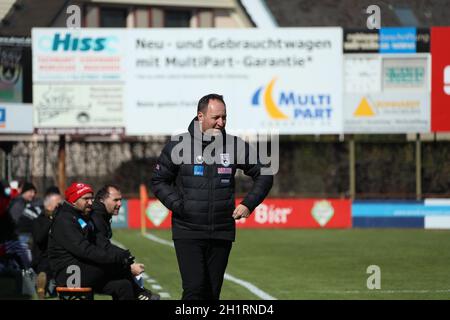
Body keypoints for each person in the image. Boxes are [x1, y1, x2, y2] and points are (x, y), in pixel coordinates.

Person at [150, 93, 273, 300]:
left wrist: (248, 204)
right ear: (200, 116)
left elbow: (265, 174)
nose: (221, 122)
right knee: (194, 290)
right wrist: (180, 206)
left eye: (224, 117)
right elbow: (159, 180)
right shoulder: (178, 145)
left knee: (211, 294)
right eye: (216, 117)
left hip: (221, 231)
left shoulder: (235, 145)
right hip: (188, 230)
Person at [48, 182, 153, 300]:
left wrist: (122, 256)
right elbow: (85, 250)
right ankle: (139, 291)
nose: (90, 202)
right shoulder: (65, 220)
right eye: (86, 199)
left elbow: (99, 242)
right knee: (113, 266)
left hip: (82, 269)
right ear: (73, 200)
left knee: (123, 286)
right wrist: (122, 263)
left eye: (91, 198)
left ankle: (137, 291)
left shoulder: (80, 216)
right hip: (70, 273)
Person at [91, 184, 160, 300]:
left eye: (120, 200)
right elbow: (102, 248)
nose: (119, 204)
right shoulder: (96, 217)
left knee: (124, 283)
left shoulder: (102, 215)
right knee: (124, 282)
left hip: (93, 268)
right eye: (115, 200)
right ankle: (139, 292)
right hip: (85, 272)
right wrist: (127, 264)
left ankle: (139, 291)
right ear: (102, 200)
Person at [31, 187, 62, 299]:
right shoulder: (38, 221)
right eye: (58, 204)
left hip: (58, 255)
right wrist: (51, 219)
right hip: (42, 257)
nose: (60, 206)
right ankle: (41, 290)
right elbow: (39, 238)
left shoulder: (61, 220)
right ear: (49, 205)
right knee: (44, 268)